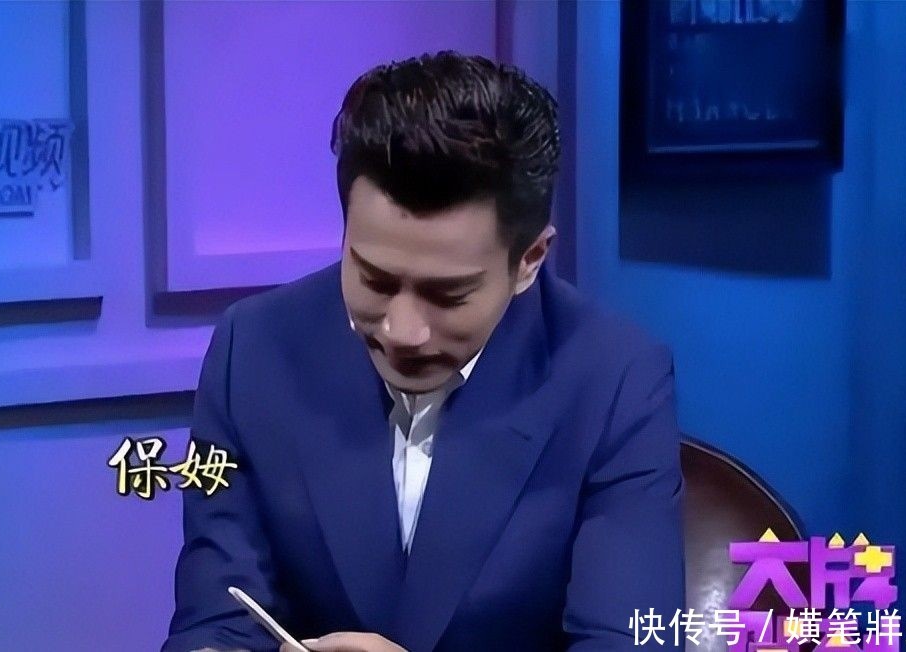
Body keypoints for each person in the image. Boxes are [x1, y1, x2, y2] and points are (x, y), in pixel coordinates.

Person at [162, 51, 684, 652]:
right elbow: (217, 618)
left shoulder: (614, 378)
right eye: (374, 279)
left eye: (447, 295)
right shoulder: (253, 349)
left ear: (529, 260)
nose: (402, 331)